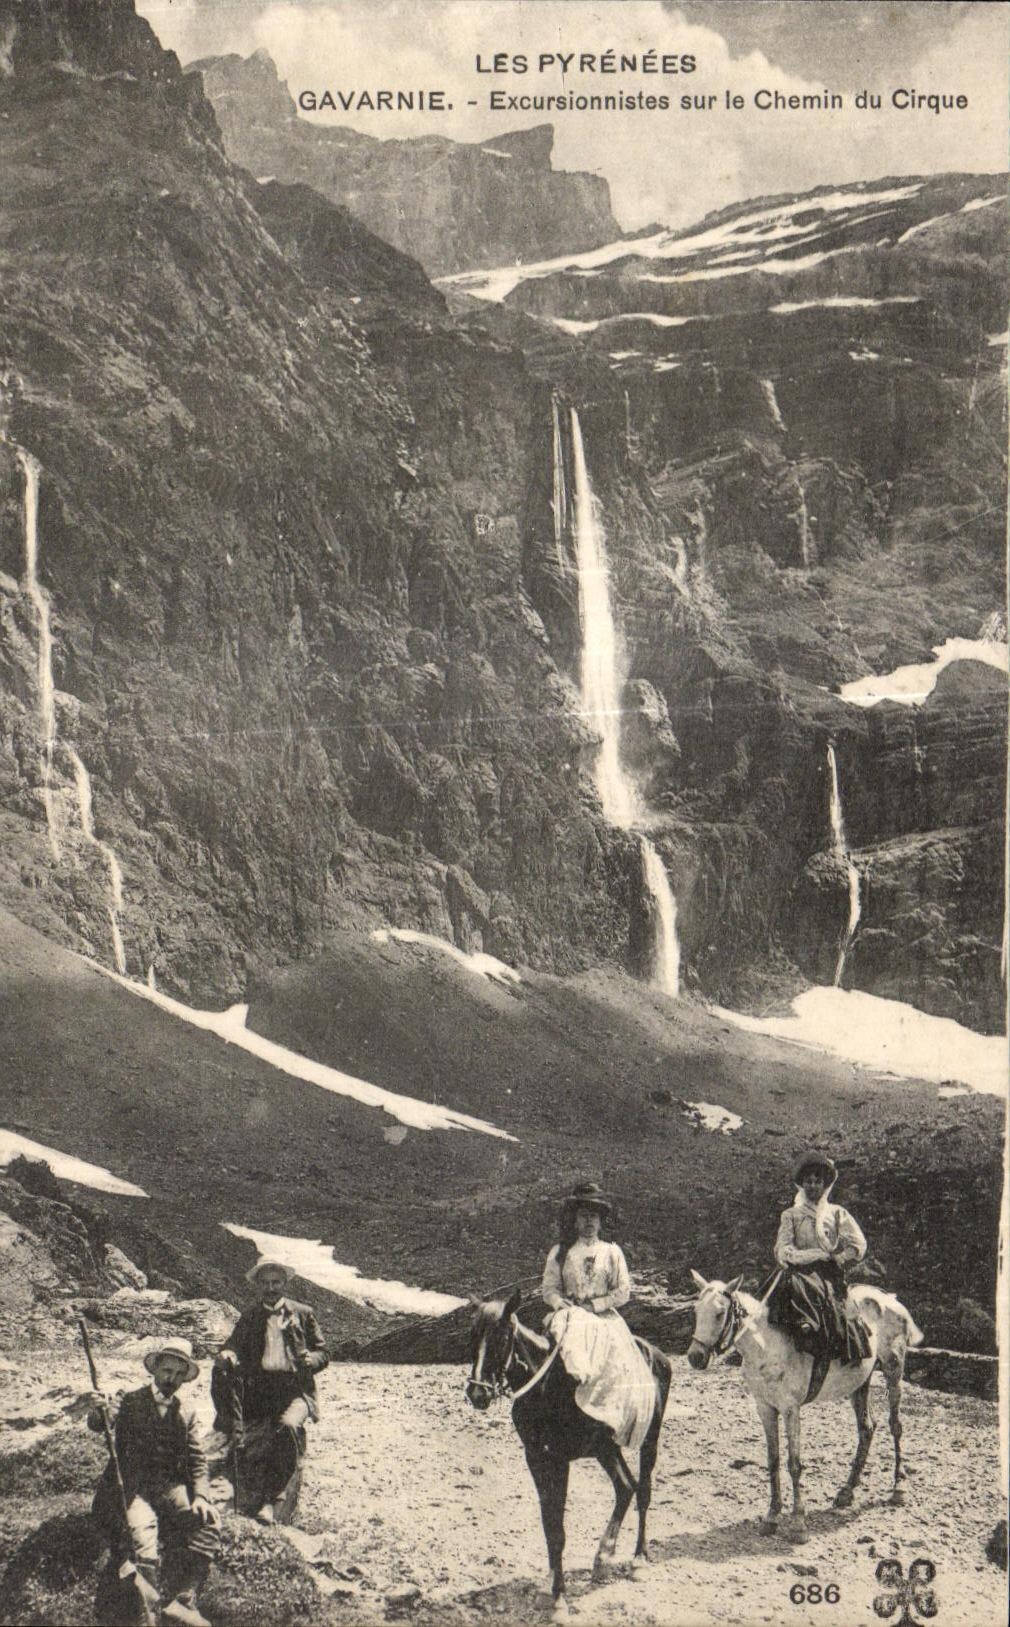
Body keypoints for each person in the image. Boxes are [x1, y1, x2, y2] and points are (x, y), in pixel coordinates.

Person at [86, 1337, 220, 1627]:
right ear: (155, 1369)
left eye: (178, 1374)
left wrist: (202, 1497)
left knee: (208, 1522)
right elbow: (101, 1423)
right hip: (131, 1489)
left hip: (168, 1488)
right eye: (166, 1371)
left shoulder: (187, 1412)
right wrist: (99, 1410)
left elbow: (197, 1461)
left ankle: (183, 1601)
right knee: (143, 1539)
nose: (170, 1379)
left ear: (185, 1378)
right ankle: (148, 1615)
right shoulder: (129, 1400)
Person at [213, 1257, 328, 1525]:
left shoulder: (303, 1313)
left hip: (295, 1391)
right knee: (245, 1437)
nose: (271, 1288)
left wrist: (313, 1359)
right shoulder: (250, 1316)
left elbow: (324, 1351)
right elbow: (233, 1345)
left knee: (288, 1427)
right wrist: (228, 1353)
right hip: (261, 1391)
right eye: (265, 1283)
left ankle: (274, 1501)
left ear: (284, 1283)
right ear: (258, 1286)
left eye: (276, 1282)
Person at [541, 1182, 655, 1450]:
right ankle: (558, 1415)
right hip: (570, 1315)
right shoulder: (561, 1253)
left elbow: (623, 1291)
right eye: (584, 1215)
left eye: (594, 1216)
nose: (589, 1221)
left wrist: (597, 1305)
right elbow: (549, 1289)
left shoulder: (611, 1252)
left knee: (618, 1362)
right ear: (575, 1219)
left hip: (604, 1318)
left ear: (602, 1220)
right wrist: (561, 1304)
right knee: (558, 1353)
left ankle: (608, 1418)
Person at [766, 1151, 872, 1396]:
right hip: (796, 1268)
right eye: (808, 1181)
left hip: (826, 1270)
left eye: (818, 1181)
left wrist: (839, 1258)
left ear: (824, 1185)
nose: (813, 1186)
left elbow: (858, 1243)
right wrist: (792, 1256)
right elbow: (782, 1246)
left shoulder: (836, 1213)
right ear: (802, 1184)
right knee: (774, 1289)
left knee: (828, 1300)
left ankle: (823, 1341)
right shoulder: (791, 1215)